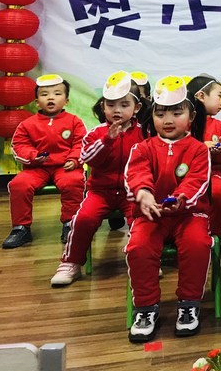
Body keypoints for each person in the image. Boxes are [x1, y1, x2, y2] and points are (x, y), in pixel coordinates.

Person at [124, 76, 212, 342]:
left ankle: (189, 303)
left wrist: (180, 197)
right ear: (152, 116)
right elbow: (136, 173)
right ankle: (145, 307)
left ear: (191, 116)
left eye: (177, 112)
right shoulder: (142, 148)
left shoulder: (199, 149)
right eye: (160, 113)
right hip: (151, 215)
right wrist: (143, 193)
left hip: (189, 214)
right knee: (138, 247)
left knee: (198, 244)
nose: (168, 119)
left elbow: (197, 180)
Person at [51, 71, 148, 286]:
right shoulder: (95, 133)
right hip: (100, 193)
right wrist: (107, 140)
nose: (117, 110)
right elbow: (87, 159)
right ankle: (70, 263)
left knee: (141, 220)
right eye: (111, 105)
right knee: (83, 219)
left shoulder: (144, 133)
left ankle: (144, 261)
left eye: (124, 105)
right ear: (103, 107)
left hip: (132, 192)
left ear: (137, 108)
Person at [3, 74, 86, 250]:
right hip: (37, 168)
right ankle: (21, 228)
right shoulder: (27, 124)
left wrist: (74, 159)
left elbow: (81, 143)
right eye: (44, 94)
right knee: (18, 185)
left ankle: (70, 224)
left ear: (66, 101)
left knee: (74, 181)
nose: (50, 98)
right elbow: (19, 145)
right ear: (36, 102)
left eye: (57, 93)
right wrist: (33, 156)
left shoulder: (74, 122)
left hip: (65, 166)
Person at [187, 74, 221, 237]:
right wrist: (201, 147)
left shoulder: (219, 125)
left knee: (219, 192)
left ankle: (215, 235)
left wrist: (218, 150)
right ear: (201, 96)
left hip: (214, 174)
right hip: (188, 175)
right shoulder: (184, 122)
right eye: (219, 95)